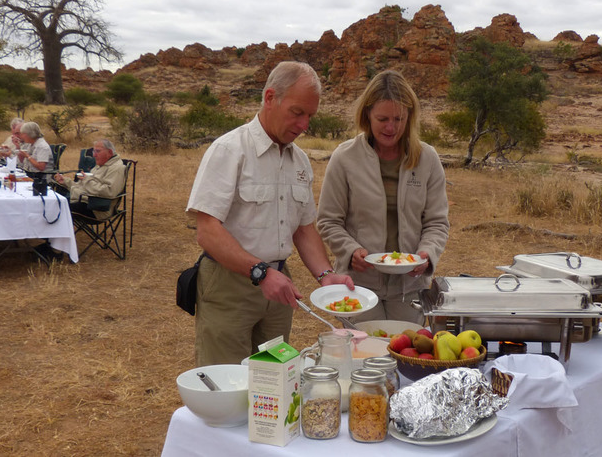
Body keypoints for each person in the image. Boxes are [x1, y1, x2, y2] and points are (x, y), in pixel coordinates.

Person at [186, 61, 354, 366]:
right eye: (297, 112)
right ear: (270, 98)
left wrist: (326, 276)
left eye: (310, 116)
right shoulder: (229, 150)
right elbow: (207, 230)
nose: (304, 125)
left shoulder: (300, 161)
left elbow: (304, 229)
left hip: (278, 288)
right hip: (229, 285)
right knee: (228, 384)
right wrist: (259, 272)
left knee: (273, 382)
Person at [316, 70, 449, 325]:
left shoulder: (427, 159)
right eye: (382, 118)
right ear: (367, 115)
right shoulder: (345, 158)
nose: (391, 127)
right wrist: (351, 250)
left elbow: (437, 222)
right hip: (358, 285)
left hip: (410, 286)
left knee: (406, 355)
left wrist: (427, 253)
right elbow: (329, 220)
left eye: (398, 118)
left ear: (409, 116)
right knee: (364, 356)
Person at [53, 139, 126, 218]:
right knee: (54, 202)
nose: (94, 155)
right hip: (85, 200)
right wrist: (65, 181)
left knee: (57, 207)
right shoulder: (99, 166)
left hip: (97, 209)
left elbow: (109, 191)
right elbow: (84, 187)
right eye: (93, 151)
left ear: (110, 153)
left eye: (98, 151)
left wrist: (87, 180)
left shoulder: (116, 168)